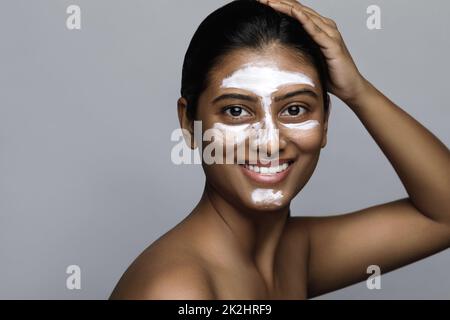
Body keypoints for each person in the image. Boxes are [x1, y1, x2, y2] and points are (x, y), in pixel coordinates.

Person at [110, 0, 450, 299]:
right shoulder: (176, 291)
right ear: (189, 123)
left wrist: (357, 91)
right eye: (236, 111)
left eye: (295, 109)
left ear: (325, 120)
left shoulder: (293, 254)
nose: (271, 142)